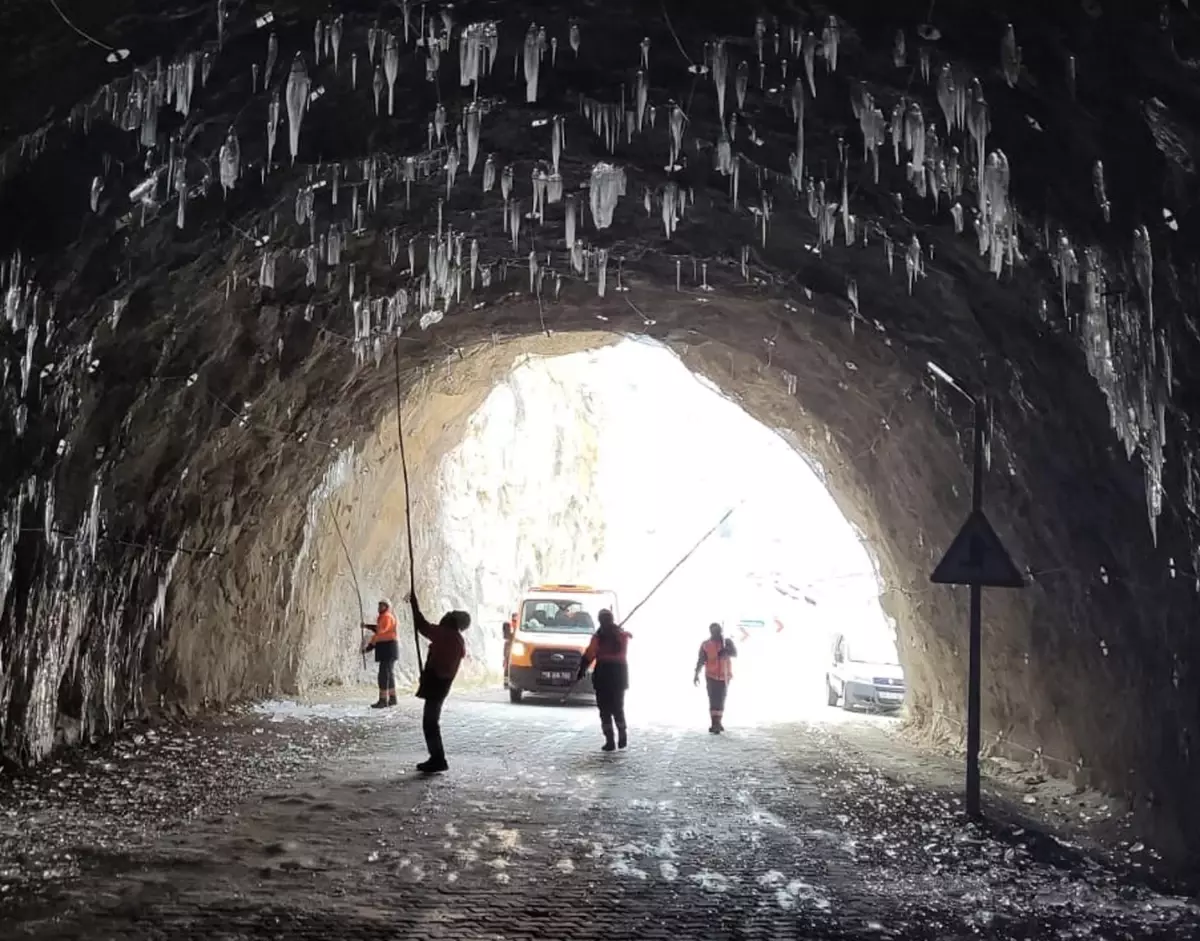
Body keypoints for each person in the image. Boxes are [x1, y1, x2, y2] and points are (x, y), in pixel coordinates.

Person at [409, 592, 471, 773]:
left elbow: (423, 626)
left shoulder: (446, 634)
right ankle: (436, 758)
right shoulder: (457, 639)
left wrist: (414, 604)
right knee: (431, 721)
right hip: (443, 684)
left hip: (437, 682)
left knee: (430, 722)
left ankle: (438, 759)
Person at [577, 609, 631, 752]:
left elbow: (589, 655)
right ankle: (622, 734)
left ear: (600, 621)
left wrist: (581, 671)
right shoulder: (622, 636)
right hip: (619, 674)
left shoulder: (598, 637)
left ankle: (609, 741)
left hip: (603, 674)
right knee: (618, 707)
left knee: (604, 709)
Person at [694, 622, 737, 734]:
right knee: (713, 700)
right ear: (710, 632)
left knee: (721, 700)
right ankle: (714, 723)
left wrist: (726, 650)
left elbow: (734, 653)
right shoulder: (706, 645)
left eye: (718, 631)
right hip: (711, 675)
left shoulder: (726, 642)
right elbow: (701, 660)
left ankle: (718, 722)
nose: (716, 633)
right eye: (714, 631)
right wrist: (696, 674)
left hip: (724, 676)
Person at [362, 599, 399, 708]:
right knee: (388, 674)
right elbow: (378, 636)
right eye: (379, 605)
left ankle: (383, 700)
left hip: (388, 648)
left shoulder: (387, 617)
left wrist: (367, 626)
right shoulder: (384, 617)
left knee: (383, 675)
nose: (379, 608)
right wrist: (369, 648)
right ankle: (392, 699)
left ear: (386, 607)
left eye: (382, 606)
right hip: (388, 649)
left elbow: (380, 630)